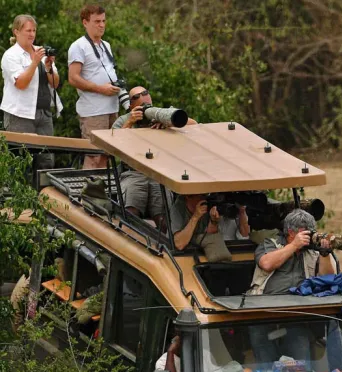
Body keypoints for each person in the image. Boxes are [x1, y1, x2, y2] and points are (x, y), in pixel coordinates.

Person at [112, 86, 197, 231]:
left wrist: (168, 124)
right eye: (136, 96)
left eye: (145, 93)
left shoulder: (161, 114)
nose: (143, 96)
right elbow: (110, 144)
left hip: (158, 173)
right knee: (131, 213)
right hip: (134, 172)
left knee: (163, 218)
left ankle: (165, 246)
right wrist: (130, 123)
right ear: (131, 105)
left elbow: (194, 125)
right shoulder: (124, 120)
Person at [2, 15, 62, 170]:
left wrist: (48, 67)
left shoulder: (41, 51)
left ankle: (43, 194)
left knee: (46, 161)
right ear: (16, 32)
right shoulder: (10, 55)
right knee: (21, 163)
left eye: (34, 30)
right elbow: (21, 84)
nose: (32, 34)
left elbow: (55, 83)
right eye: (28, 30)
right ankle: (19, 195)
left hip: (44, 114)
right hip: (20, 115)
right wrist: (35, 62)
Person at [68, 5, 120, 170]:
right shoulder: (79, 46)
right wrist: (101, 89)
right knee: (93, 157)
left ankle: (102, 194)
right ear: (85, 22)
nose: (102, 25)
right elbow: (73, 78)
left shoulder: (106, 45)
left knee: (106, 156)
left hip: (111, 108)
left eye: (103, 21)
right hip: (93, 112)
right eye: (97, 21)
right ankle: (87, 195)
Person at [249, 208, 336, 296]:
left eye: (311, 233)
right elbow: (267, 264)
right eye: (305, 233)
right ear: (291, 232)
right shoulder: (271, 244)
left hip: (304, 300)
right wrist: (294, 245)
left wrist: (324, 255)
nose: (309, 237)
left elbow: (328, 279)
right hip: (267, 299)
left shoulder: (313, 251)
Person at [170, 194, 250, 262]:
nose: (204, 198)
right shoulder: (178, 209)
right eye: (201, 195)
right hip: (183, 254)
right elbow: (179, 244)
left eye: (205, 195)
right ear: (188, 196)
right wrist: (196, 216)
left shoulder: (207, 206)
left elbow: (210, 237)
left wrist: (213, 221)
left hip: (205, 250)